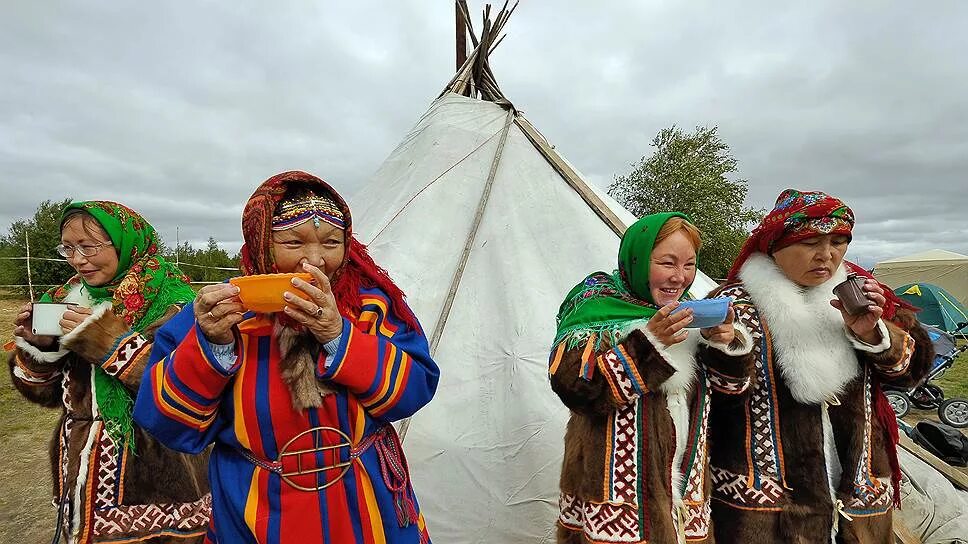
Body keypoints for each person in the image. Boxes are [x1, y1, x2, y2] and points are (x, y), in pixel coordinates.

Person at [134, 171, 439, 544]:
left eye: (331, 242)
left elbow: (417, 388)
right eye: (294, 242)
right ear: (262, 242)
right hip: (256, 504)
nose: (315, 261)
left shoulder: (372, 306)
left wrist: (339, 336)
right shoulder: (219, 314)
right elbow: (169, 424)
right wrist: (214, 345)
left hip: (365, 495)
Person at [706, 189, 933, 543]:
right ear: (775, 246)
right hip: (765, 506)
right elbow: (711, 398)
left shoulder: (866, 297)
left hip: (857, 494)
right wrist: (728, 350)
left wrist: (873, 334)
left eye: (839, 242)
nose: (827, 256)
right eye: (811, 241)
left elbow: (911, 374)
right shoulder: (729, 308)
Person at [9, 201, 211, 543]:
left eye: (88, 247)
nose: (77, 259)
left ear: (125, 244)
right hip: (82, 474)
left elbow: (188, 387)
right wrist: (39, 349)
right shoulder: (67, 298)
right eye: (68, 248)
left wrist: (108, 343)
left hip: (159, 477)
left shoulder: (174, 303)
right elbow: (42, 394)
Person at [549, 212, 755, 543]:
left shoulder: (689, 317)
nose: (680, 277)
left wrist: (723, 344)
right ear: (639, 259)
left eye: (689, 265)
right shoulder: (594, 310)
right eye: (668, 263)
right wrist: (648, 343)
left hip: (685, 505)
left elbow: (732, 394)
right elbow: (575, 389)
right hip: (617, 508)